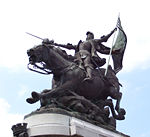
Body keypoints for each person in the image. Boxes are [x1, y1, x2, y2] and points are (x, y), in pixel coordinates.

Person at [42, 28, 117, 81]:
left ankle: (90, 76)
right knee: (71, 67)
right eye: (87, 35)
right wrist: (56, 44)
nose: (88, 36)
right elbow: (69, 47)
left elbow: (104, 39)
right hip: (77, 55)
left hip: (86, 54)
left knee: (87, 64)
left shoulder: (93, 41)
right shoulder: (80, 43)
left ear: (92, 36)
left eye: (90, 34)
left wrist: (112, 31)